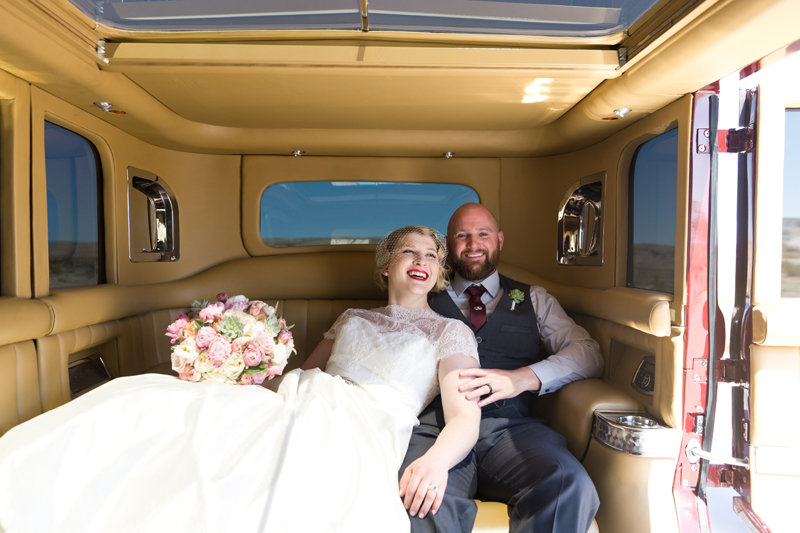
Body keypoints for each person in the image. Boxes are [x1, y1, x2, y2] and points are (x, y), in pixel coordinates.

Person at [0, 225, 481, 533]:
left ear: (439, 274)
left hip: (368, 421)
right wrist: (234, 377)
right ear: (386, 265)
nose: (421, 260)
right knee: (153, 401)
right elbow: (306, 372)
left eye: (432, 256)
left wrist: (437, 461)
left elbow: (464, 414)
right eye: (407, 251)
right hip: (306, 395)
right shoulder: (353, 316)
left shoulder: (449, 330)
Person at [401, 203, 603, 533]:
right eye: (462, 235)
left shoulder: (535, 299)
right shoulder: (420, 297)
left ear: (500, 240)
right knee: (420, 497)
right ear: (449, 245)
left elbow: (588, 354)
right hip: (436, 429)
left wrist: (522, 379)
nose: (473, 243)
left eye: (483, 234)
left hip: (511, 431)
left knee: (568, 482)